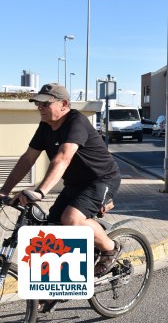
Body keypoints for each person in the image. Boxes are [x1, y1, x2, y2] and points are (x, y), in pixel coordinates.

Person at [0, 83, 122, 278]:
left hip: (101, 179)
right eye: (37, 104)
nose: (39, 108)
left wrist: (40, 191)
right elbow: (28, 158)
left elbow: (63, 157)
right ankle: (61, 284)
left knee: (71, 219)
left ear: (63, 104)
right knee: (52, 229)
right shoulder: (46, 126)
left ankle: (110, 247)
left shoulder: (76, 122)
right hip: (75, 184)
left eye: (44, 104)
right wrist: (4, 191)